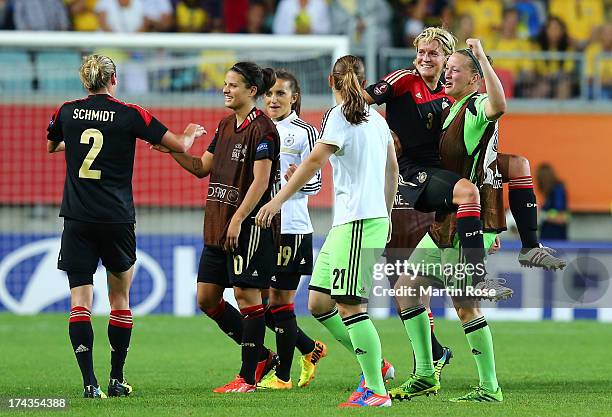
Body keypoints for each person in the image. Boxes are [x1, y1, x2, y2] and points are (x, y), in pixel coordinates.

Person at [46, 54, 205, 398]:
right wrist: (190, 133)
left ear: (84, 81)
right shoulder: (130, 113)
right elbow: (179, 146)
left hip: (77, 218)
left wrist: (72, 144)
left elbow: (52, 145)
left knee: (80, 301)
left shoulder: (66, 111)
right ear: (113, 79)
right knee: (120, 299)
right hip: (117, 219)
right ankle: (116, 379)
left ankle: (89, 384)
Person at [256, 55, 398, 408]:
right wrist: (388, 212)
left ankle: (376, 390)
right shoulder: (378, 120)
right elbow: (392, 169)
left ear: (330, 82)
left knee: (350, 306)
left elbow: (314, 162)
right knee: (319, 302)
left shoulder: (338, 116)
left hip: (359, 222)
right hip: (353, 223)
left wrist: (276, 201)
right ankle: (376, 365)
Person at [390, 38, 506, 403]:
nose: (448, 74)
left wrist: (484, 58)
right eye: (448, 68)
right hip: (449, 219)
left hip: (466, 220)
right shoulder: (451, 110)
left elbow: (499, 105)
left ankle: (490, 387)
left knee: (465, 303)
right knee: (407, 288)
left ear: (474, 79)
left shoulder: (474, 106)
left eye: (456, 69)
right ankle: (425, 373)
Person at [153, 62, 279, 393]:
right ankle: (263, 356)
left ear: (251, 91)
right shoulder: (225, 126)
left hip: (248, 226)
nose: (226, 89)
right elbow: (200, 167)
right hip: (217, 225)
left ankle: (248, 377)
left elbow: (262, 180)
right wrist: (169, 149)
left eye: (233, 85)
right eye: (225, 84)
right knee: (207, 299)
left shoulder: (263, 129)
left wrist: (239, 218)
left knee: (246, 296)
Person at [257, 70, 327, 390]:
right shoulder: (257, 128)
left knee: (280, 301)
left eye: (280, 94)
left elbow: (316, 183)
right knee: (259, 305)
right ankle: (309, 349)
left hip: (291, 227)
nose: (273, 100)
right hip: (259, 225)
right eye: (269, 94)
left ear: (294, 98)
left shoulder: (304, 132)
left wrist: (298, 176)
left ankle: (282, 377)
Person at [536, 163, 569, 240]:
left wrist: (543, 215)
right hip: (548, 237)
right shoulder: (551, 193)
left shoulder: (557, 191)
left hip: (555, 238)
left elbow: (562, 217)